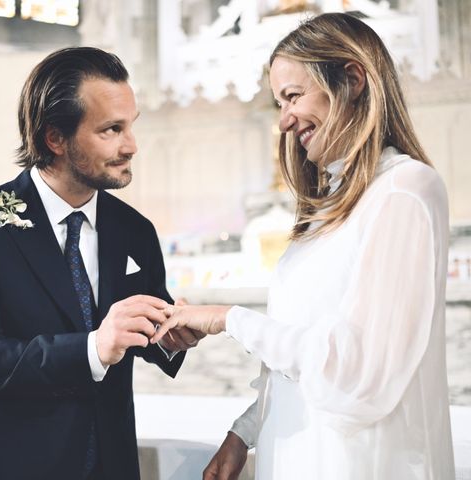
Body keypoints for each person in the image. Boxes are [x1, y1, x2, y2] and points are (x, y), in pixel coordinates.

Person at [152, 12, 455, 480]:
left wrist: (227, 318)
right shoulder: (327, 208)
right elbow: (301, 356)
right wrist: (244, 432)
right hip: (298, 458)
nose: (284, 120)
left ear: (352, 80)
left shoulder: (404, 191)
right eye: (278, 102)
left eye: (293, 96)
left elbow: (359, 376)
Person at [0, 47, 202, 480]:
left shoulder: (135, 229)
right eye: (111, 130)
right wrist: (92, 348)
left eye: (131, 126)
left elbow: (134, 331)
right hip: (15, 466)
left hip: (111, 463)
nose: (132, 146)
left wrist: (168, 337)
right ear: (54, 138)